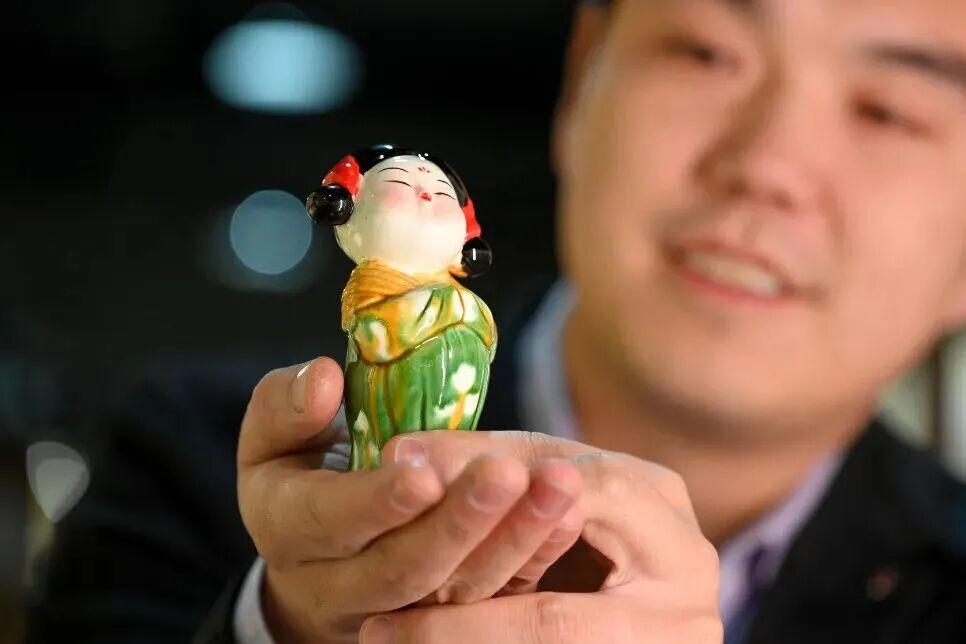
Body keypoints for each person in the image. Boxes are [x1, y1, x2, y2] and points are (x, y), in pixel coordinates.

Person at [27, 0, 966, 642]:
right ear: (581, 81)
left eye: (889, 110)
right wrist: (292, 626)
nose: (767, 166)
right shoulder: (207, 465)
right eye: (705, 51)